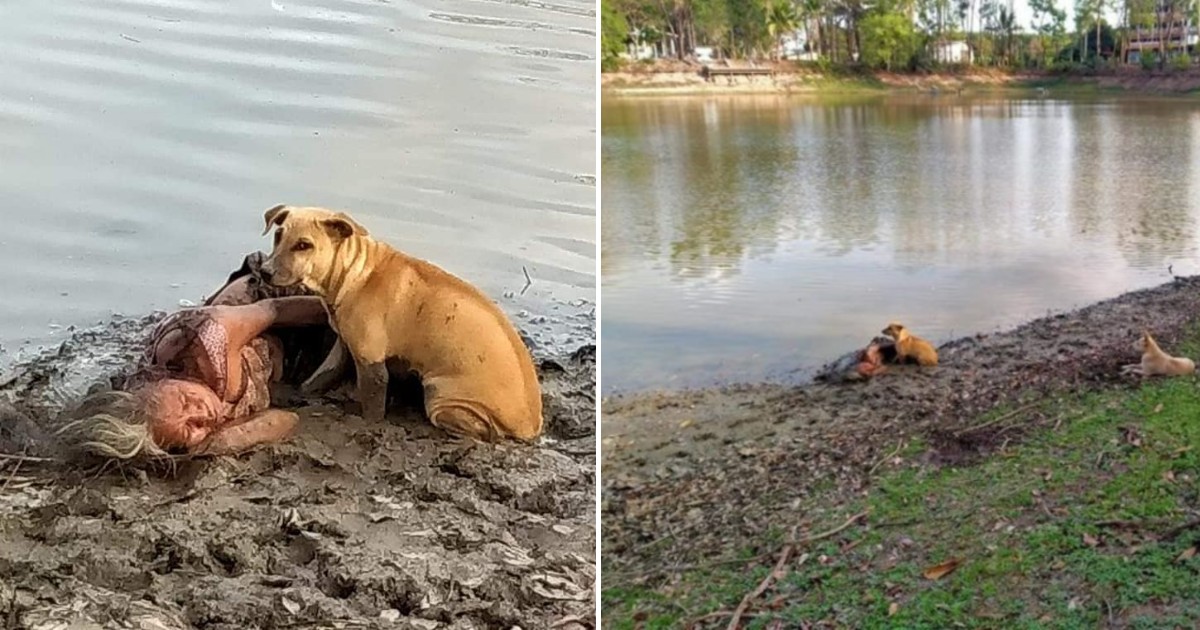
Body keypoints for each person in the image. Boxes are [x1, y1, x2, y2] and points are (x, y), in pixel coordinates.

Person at [60, 254, 337, 458]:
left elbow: (274, 308)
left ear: (162, 383)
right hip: (275, 365)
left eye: (186, 401)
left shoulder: (207, 340)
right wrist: (210, 443)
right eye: (189, 431)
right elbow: (286, 420)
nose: (203, 415)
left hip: (277, 303)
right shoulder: (163, 418)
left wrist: (338, 313)